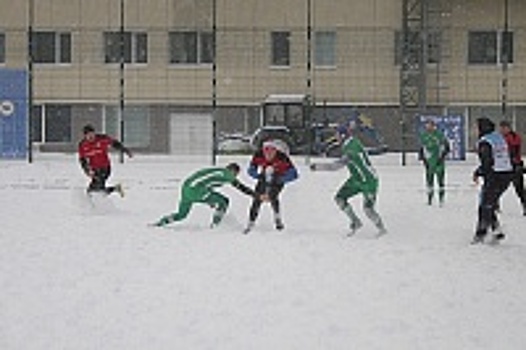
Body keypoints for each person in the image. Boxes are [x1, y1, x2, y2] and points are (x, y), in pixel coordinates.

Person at [310, 120, 386, 236]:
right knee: (340, 198)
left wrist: (318, 167)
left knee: (368, 209)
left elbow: (335, 167)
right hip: (356, 179)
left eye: (337, 135)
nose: (335, 137)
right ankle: (355, 222)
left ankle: (382, 229)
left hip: (368, 180)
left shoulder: (351, 149)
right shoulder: (350, 143)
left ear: (343, 135)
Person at [153, 163, 259, 228]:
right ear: (233, 171)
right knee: (224, 201)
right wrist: (256, 195)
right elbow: (240, 187)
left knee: (181, 215)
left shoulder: (217, 172)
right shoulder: (226, 174)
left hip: (186, 188)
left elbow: (206, 182)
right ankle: (216, 226)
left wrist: (210, 200)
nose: (235, 177)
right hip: (197, 190)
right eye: (236, 174)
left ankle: (161, 222)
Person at [471, 118, 514, 244]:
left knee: (485, 204)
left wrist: (478, 172)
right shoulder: (498, 137)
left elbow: (487, 162)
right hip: (506, 174)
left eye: (475, 127)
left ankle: (482, 232)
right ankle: (495, 230)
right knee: (488, 202)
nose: (474, 130)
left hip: (495, 175)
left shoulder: (485, 142)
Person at [243, 140, 298, 234]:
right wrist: (256, 175)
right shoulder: (258, 155)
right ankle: (251, 222)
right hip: (264, 176)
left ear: (275, 151)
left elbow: (294, 174)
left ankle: (277, 218)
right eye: (266, 152)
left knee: (272, 196)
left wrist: (282, 179)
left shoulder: (282, 157)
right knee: (257, 198)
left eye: (272, 152)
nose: (269, 155)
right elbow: (251, 169)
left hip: (279, 177)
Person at [78, 124, 132, 196]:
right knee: (94, 191)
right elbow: (82, 160)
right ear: (85, 136)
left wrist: (125, 150)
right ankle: (115, 189)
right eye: (88, 135)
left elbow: (114, 143)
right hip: (94, 170)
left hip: (105, 168)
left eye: (92, 134)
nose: (91, 137)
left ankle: (101, 202)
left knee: (95, 190)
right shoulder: (82, 145)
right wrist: (87, 170)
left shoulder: (102, 139)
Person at [419, 119, 450, 206]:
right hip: (429, 162)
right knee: (429, 181)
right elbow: (422, 148)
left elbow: (446, 147)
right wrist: (424, 160)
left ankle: (441, 199)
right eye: (427, 125)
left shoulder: (439, 135)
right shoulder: (424, 135)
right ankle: (429, 198)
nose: (428, 127)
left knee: (440, 181)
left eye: (430, 125)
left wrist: (442, 158)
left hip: (438, 161)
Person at [499, 120, 526, 215]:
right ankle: (495, 205)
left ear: (509, 128)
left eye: (504, 128)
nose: (502, 130)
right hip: (503, 165)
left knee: (519, 188)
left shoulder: (514, 137)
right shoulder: (500, 137)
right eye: (501, 128)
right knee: (499, 187)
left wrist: (516, 162)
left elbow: (514, 150)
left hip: (515, 165)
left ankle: (524, 205)